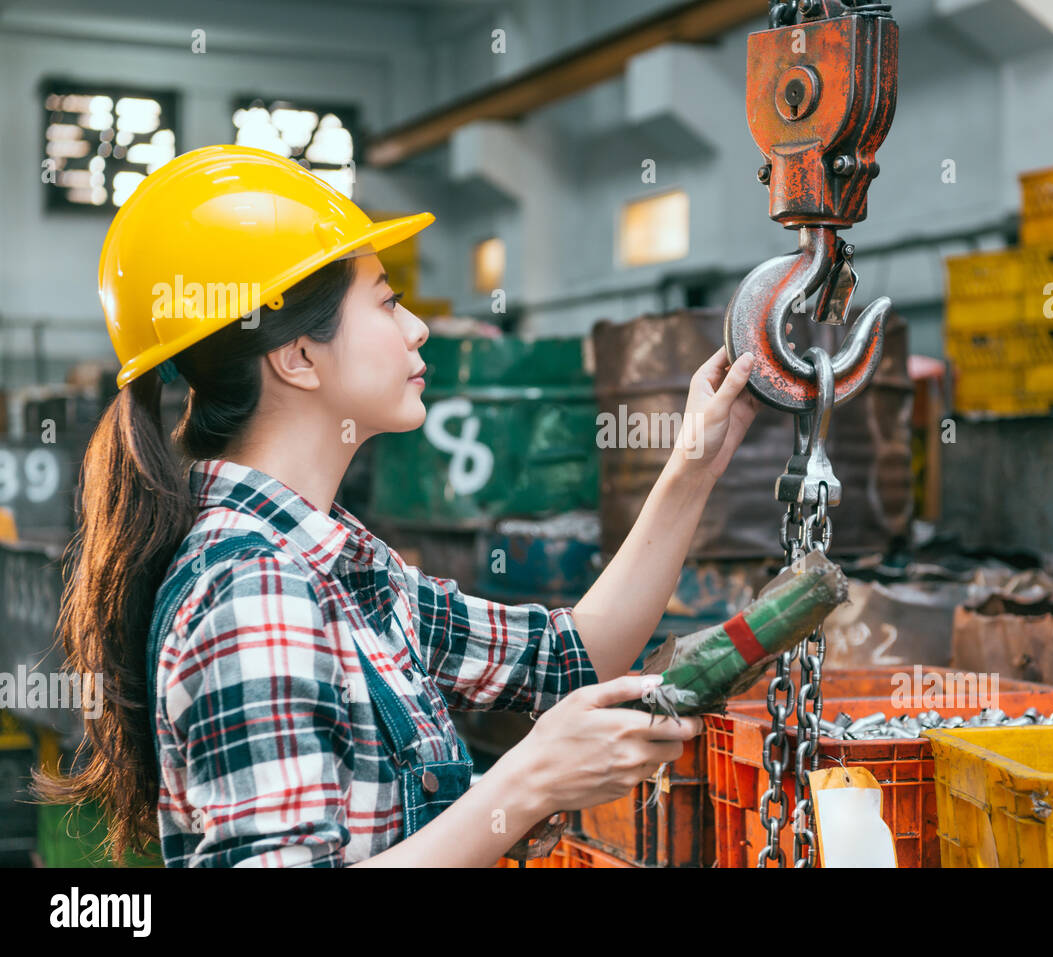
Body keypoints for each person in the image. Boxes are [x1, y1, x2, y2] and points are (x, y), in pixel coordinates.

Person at [33, 145, 759, 867]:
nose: (417, 328)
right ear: (296, 357)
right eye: (385, 301)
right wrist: (528, 778)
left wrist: (695, 464)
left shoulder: (345, 569)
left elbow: (570, 656)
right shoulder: (255, 590)